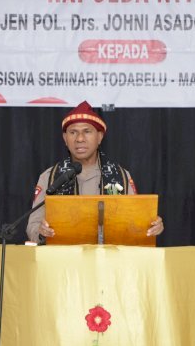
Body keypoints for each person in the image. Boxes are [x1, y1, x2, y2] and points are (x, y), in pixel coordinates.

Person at [26, 101, 164, 243]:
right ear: (65, 139)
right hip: (64, 261)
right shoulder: (50, 177)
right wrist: (41, 232)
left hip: (109, 261)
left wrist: (151, 226)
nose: (79, 139)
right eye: (73, 132)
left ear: (99, 137)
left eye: (87, 131)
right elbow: (33, 226)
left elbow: (133, 224)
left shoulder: (121, 177)